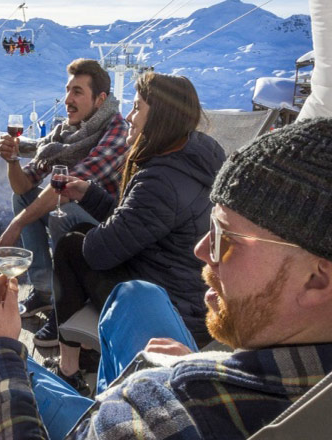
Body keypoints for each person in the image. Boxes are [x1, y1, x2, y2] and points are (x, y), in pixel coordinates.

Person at [0, 116, 332, 440]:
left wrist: (4, 350)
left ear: (317, 278)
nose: (202, 250)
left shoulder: (181, 414)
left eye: (227, 239)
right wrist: (205, 368)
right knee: (137, 296)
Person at [45, 72, 225, 393]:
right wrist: (90, 194)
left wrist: (97, 223)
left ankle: (69, 367)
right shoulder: (196, 155)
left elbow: (99, 251)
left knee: (73, 245)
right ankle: (85, 355)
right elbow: (137, 223)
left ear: (159, 115)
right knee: (83, 233)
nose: (129, 116)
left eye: (137, 107)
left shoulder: (161, 181)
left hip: (172, 311)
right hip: (193, 294)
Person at [0, 58, 127, 325]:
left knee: (62, 212)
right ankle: (44, 291)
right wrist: (12, 161)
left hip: (109, 228)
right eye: (67, 90)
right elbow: (25, 185)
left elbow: (68, 188)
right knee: (23, 198)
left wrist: (17, 224)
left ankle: (66, 302)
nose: (67, 99)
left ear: (100, 99)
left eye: (77, 92)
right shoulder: (66, 132)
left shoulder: (117, 131)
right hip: (77, 213)